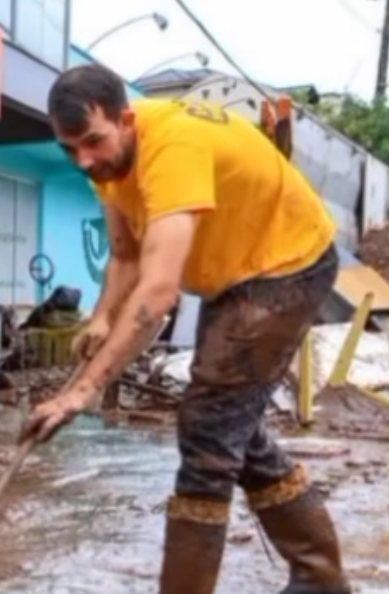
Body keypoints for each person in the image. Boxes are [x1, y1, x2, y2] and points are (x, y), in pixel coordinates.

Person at [23, 64, 348, 594]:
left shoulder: (171, 150)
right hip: (234, 278)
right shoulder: (108, 163)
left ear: (125, 119)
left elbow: (157, 293)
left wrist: (83, 389)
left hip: (288, 264)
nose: (83, 160)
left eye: (92, 143)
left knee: (207, 436)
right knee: (228, 427)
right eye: (68, 149)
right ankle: (320, 577)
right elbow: (127, 257)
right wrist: (103, 315)